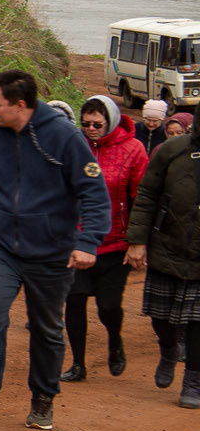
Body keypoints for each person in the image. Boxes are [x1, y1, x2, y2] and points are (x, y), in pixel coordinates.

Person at [0, 70, 110, 431]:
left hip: (53, 252)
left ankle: (43, 398)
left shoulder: (65, 137)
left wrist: (87, 243)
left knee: (46, 328)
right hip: (1, 246)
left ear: (20, 105)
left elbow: (94, 195)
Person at [62, 95, 149, 382]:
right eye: (85, 124)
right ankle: (78, 363)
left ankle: (115, 340)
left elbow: (141, 198)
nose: (90, 129)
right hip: (77, 241)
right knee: (74, 299)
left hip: (116, 242)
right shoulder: (74, 147)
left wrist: (138, 240)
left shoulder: (133, 149)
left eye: (97, 124)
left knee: (108, 305)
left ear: (109, 121)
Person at [129, 128, 200, 406]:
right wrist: (137, 240)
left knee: (197, 322)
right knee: (160, 316)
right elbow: (146, 193)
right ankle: (169, 348)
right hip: (167, 243)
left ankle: (193, 382)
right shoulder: (174, 149)